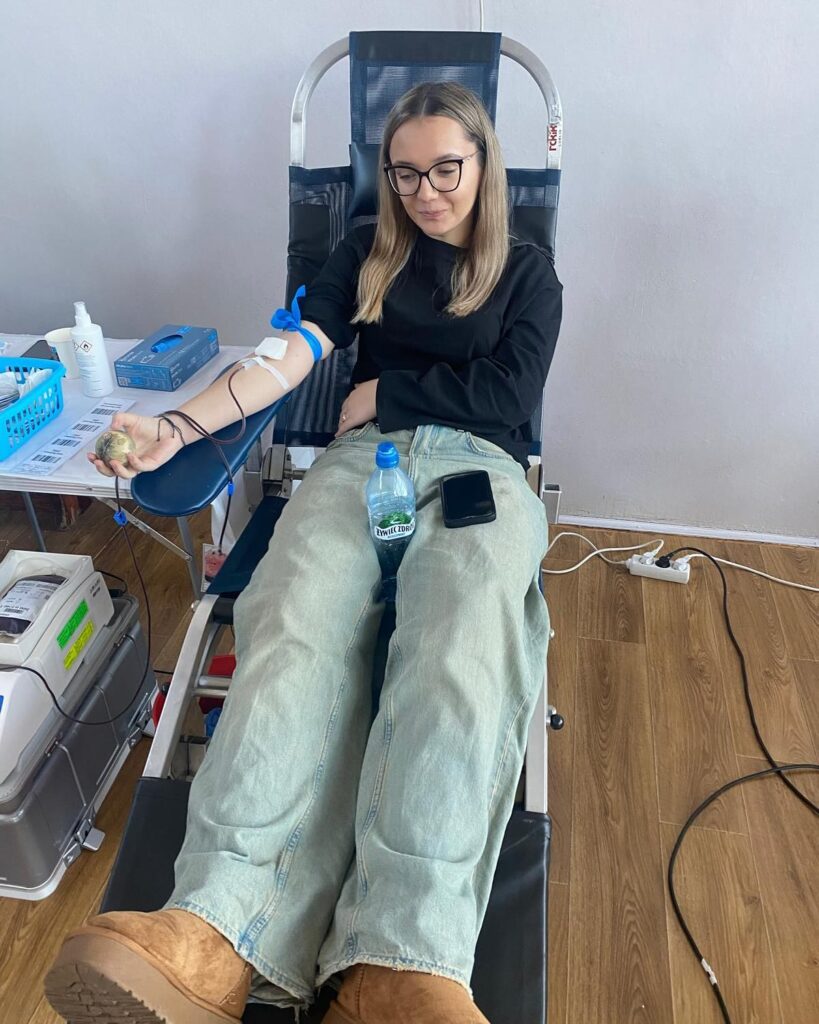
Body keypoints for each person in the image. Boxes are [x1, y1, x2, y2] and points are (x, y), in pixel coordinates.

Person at [44, 81, 562, 1024]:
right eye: (404, 173)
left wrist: (389, 393)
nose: (425, 192)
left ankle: (400, 963)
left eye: (446, 169)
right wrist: (175, 424)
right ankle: (218, 929)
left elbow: (510, 397)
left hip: (479, 471)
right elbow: (285, 356)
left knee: (460, 646)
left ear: (485, 164)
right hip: (362, 464)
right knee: (290, 620)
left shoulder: (528, 274)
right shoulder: (364, 250)